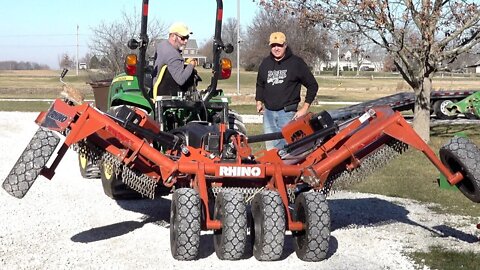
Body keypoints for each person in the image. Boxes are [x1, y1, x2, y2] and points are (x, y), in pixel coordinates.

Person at [255, 32, 319, 150]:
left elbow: (312, 85)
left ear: (285, 45)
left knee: (287, 150)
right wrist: (259, 101)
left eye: (279, 45)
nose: (276, 48)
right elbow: (260, 84)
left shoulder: (296, 63)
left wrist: (305, 108)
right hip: (268, 114)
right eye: (273, 45)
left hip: (287, 114)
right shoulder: (265, 63)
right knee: (271, 151)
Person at [152, 22, 198, 97]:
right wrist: (191, 64)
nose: (186, 41)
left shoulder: (162, 45)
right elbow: (181, 80)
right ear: (173, 36)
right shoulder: (173, 55)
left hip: (156, 85)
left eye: (187, 38)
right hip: (166, 94)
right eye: (183, 38)